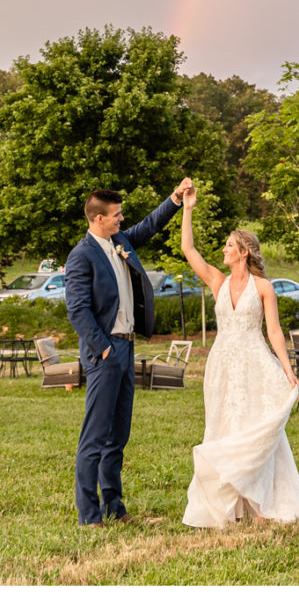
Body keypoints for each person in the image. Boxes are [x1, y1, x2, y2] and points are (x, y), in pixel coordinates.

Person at [177, 182, 299, 528]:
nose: (223, 250)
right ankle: (230, 506)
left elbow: (274, 333)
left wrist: (288, 370)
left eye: (229, 246)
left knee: (254, 427)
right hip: (221, 367)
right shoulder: (217, 282)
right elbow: (188, 249)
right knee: (223, 427)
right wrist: (187, 208)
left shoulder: (264, 288)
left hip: (254, 364)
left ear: (244, 252)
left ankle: (262, 504)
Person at [63, 179, 189, 526]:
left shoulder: (120, 241)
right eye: (116, 216)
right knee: (95, 436)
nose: (121, 220)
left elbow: (148, 225)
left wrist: (175, 198)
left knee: (118, 434)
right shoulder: (81, 256)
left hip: (127, 345)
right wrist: (103, 349)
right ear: (97, 219)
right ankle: (89, 516)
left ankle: (114, 507)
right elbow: (77, 310)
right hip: (105, 351)